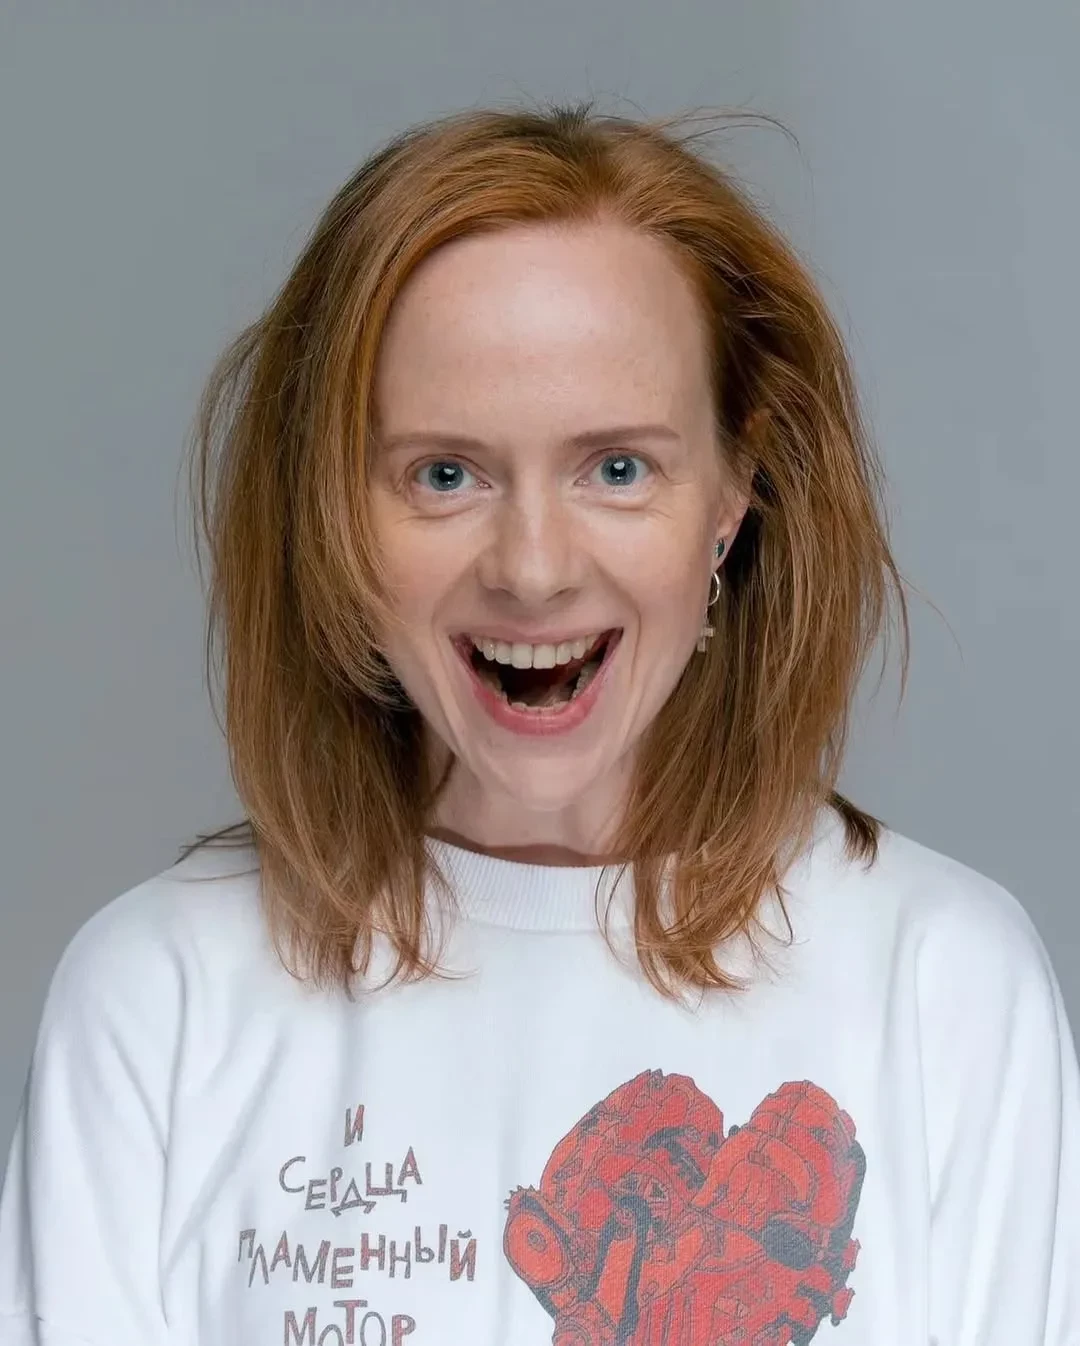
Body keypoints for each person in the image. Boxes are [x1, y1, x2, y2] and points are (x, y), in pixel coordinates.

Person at [0, 100, 1076, 1346]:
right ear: (334, 516)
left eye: (617, 468)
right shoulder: (160, 997)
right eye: (443, 473)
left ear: (733, 493)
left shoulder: (944, 987)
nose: (532, 567)